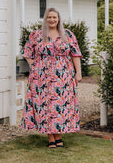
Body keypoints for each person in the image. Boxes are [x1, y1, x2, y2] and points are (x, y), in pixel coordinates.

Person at [21, 8, 82, 148]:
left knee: (60, 104)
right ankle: (51, 138)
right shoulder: (36, 35)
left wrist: (78, 73)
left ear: (59, 19)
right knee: (45, 105)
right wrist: (34, 66)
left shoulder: (68, 34)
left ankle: (58, 135)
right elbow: (27, 52)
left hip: (63, 76)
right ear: (45, 19)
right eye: (49, 17)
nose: (52, 20)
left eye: (54, 17)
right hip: (41, 77)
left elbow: (75, 54)